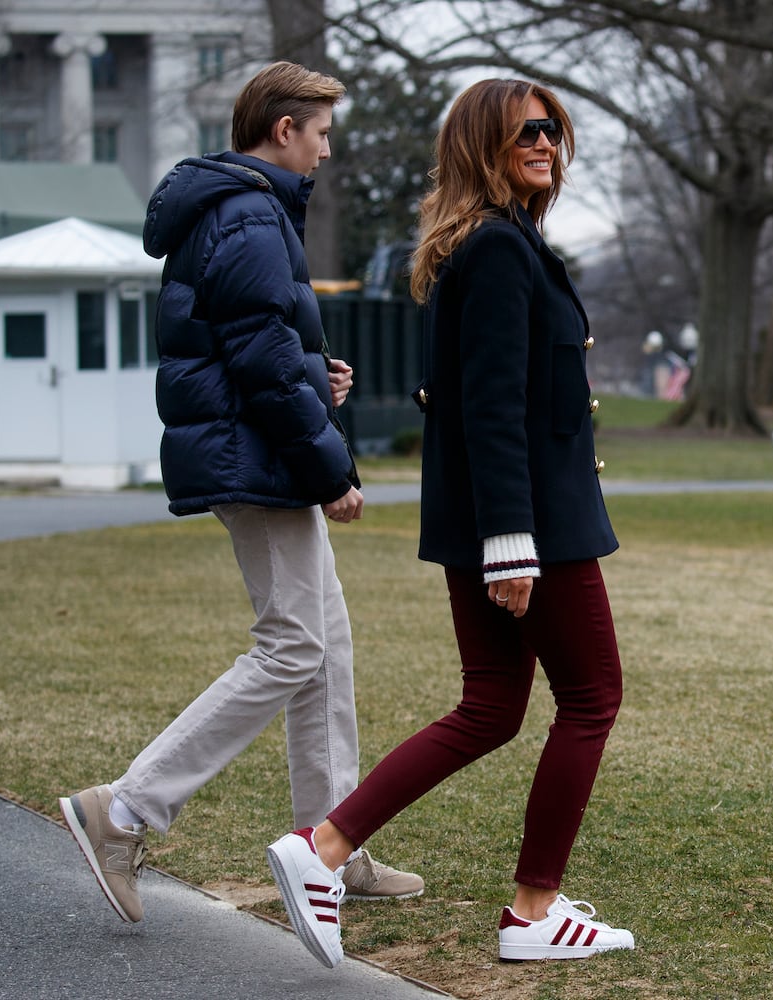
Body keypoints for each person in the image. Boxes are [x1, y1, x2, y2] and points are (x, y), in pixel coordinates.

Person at [265, 79, 633, 968]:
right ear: (482, 148)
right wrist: (513, 542)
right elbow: (491, 407)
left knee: (493, 706)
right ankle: (533, 912)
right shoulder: (499, 250)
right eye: (523, 134)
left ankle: (320, 850)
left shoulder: (487, 245)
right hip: (527, 526)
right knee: (590, 698)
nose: (544, 143)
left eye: (551, 129)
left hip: (498, 522)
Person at [59, 61, 422, 924]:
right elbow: (256, 362)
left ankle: (333, 844)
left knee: (323, 642)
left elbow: (250, 347)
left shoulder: (238, 211)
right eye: (323, 132)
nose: (328, 150)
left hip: (255, 450)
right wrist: (331, 469)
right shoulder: (251, 215)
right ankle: (125, 810)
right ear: (284, 129)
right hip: (256, 463)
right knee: (293, 646)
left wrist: (311, 373)